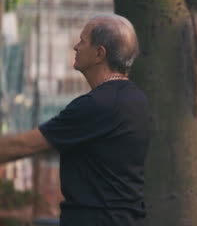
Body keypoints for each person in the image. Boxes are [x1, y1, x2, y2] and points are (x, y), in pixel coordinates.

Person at [0, 14, 150, 226]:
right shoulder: (135, 98)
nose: (75, 47)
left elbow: (24, 145)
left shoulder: (98, 105)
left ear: (99, 53)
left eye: (83, 41)